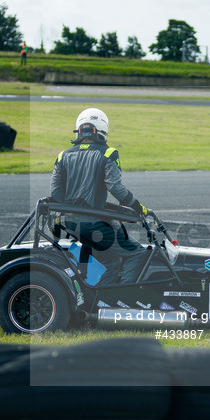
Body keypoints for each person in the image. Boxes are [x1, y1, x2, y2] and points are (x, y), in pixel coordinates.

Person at [50, 108, 149, 286]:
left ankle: (101, 302)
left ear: (79, 128)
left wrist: (75, 206)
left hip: (70, 224)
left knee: (111, 262)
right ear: (103, 129)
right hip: (95, 226)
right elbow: (115, 187)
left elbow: (56, 194)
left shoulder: (63, 155)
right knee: (137, 253)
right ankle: (125, 299)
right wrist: (137, 206)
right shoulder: (109, 153)